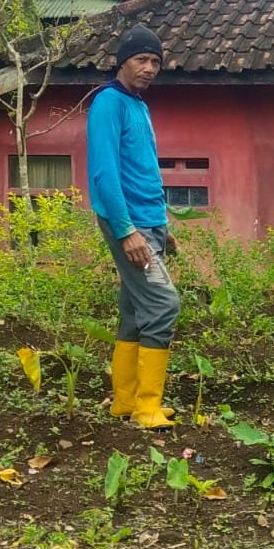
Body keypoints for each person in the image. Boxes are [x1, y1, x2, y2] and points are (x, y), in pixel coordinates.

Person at [87, 24, 180, 429]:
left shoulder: (138, 105)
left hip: (149, 221)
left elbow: (144, 171)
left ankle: (124, 401)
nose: (149, 68)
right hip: (128, 223)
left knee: (134, 310)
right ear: (122, 60)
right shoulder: (109, 103)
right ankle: (147, 407)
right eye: (141, 59)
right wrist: (127, 231)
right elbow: (105, 174)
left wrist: (163, 225)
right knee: (163, 305)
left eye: (156, 61)